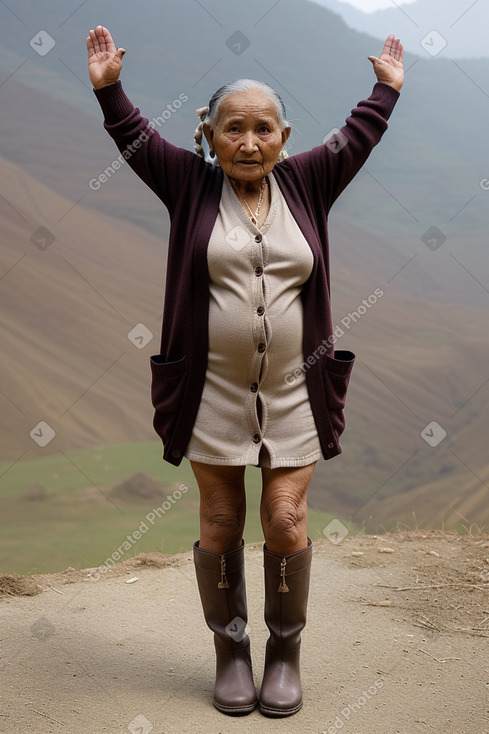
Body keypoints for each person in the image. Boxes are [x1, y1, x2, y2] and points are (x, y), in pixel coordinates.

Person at [87, 25, 404, 717]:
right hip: (210, 392)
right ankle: (229, 651)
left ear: (285, 137)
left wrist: (384, 91)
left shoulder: (308, 182)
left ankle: (283, 653)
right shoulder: (187, 186)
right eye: (235, 129)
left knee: (285, 517)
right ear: (212, 134)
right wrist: (110, 90)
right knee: (222, 516)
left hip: (295, 391)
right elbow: (136, 143)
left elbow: (356, 138)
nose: (250, 142)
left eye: (264, 129)